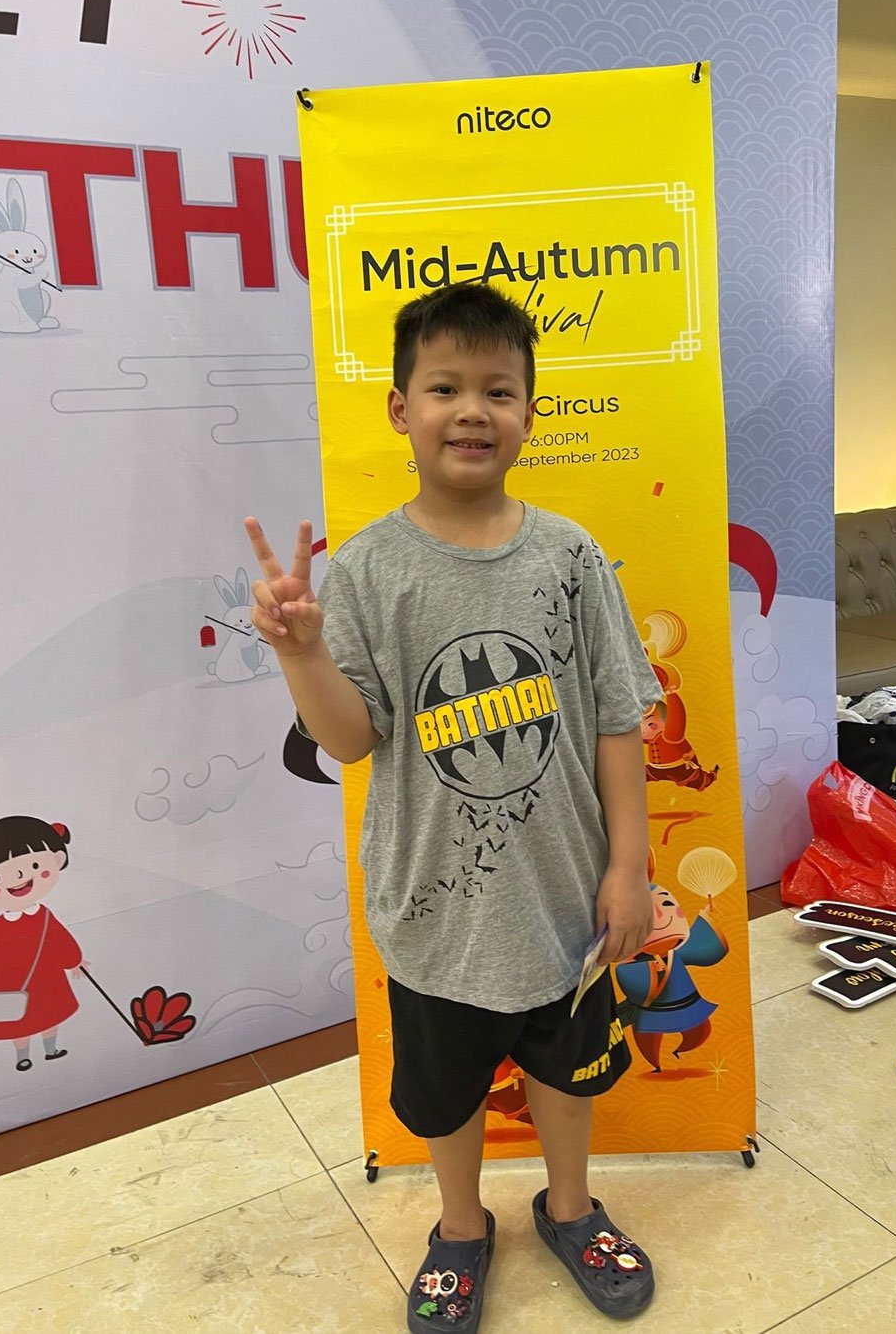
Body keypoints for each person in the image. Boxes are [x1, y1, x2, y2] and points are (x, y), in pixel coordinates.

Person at [245, 281, 663, 1331]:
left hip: (566, 897)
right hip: (433, 910)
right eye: (443, 386)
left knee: (568, 1070)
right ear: (400, 408)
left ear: (530, 412)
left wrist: (627, 864)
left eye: (497, 389)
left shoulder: (569, 557)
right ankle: (460, 1224)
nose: (471, 409)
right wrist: (300, 650)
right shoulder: (373, 568)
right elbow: (350, 738)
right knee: (444, 1090)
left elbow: (617, 713)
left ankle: (569, 1204)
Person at [0, 817, 86, 1072]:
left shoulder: (43, 915)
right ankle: (23, 1055)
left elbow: (59, 938)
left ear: (56, 859)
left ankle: (51, 1048)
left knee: (51, 1014)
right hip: (12, 981)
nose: (20, 876)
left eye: (35, 864)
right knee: (18, 1021)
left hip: (48, 976)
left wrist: (73, 960)